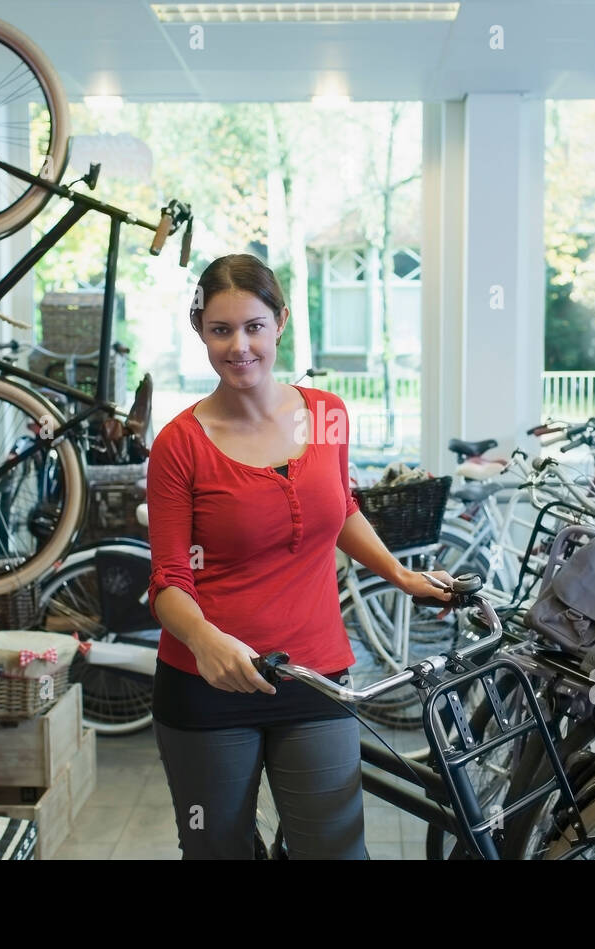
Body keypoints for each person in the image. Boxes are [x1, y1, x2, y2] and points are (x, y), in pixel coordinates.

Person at [145, 253, 454, 859]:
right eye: (220, 329)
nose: (239, 346)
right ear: (200, 330)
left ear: (280, 321)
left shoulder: (328, 414)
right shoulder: (178, 445)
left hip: (315, 677)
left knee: (336, 850)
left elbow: (342, 509)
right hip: (207, 686)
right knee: (216, 848)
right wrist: (206, 641)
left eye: (254, 326)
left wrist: (401, 575)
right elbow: (168, 578)